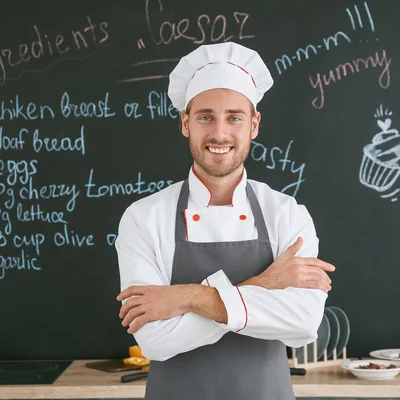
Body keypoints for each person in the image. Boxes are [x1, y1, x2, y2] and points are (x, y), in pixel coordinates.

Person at [115, 41, 335, 400]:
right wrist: (264, 283)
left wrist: (188, 296)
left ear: (254, 125)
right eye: (205, 117)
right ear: (186, 122)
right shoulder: (143, 218)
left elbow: (302, 324)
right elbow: (154, 341)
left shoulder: (288, 214)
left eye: (234, 117)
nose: (220, 133)